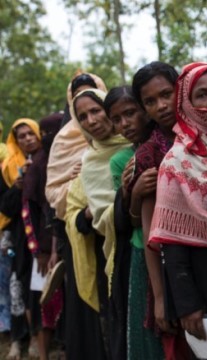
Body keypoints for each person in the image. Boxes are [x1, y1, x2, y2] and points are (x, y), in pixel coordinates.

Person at [149, 62, 207, 342]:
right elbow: (172, 246)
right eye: (202, 94)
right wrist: (188, 304)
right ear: (186, 102)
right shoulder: (176, 163)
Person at [44, 72, 107, 360]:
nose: (91, 118)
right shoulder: (63, 141)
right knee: (86, 307)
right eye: (78, 102)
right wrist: (75, 181)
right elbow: (53, 194)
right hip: (79, 235)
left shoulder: (119, 130)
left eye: (93, 98)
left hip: (113, 231)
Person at [64, 88, 130, 359]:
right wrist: (90, 215)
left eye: (95, 110)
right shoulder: (89, 162)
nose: (91, 120)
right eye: (83, 117)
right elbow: (76, 213)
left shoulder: (138, 140)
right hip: (115, 253)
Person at [129, 61, 188, 359]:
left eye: (167, 94)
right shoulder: (149, 154)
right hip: (174, 268)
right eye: (150, 101)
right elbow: (150, 226)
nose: (162, 106)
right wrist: (161, 297)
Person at [103, 86, 163, 360]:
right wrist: (134, 192)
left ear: (144, 110)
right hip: (143, 250)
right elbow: (132, 221)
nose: (125, 124)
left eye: (130, 113)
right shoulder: (120, 161)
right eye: (116, 119)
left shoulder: (168, 143)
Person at [22, 112, 64, 360]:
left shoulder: (57, 160)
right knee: (43, 302)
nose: (50, 138)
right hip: (43, 250)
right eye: (45, 134)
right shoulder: (37, 166)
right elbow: (29, 212)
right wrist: (39, 250)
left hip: (59, 244)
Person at [0, 119, 41, 359]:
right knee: (17, 285)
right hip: (19, 238)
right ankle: (17, 340)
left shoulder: (48, 159)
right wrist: (16, 187)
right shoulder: (7, 167)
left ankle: (37, 337)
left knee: (38, 288)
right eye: (21, 136)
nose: (27, 139)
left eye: (30, 133)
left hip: (43, 237)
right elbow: (5, 207)